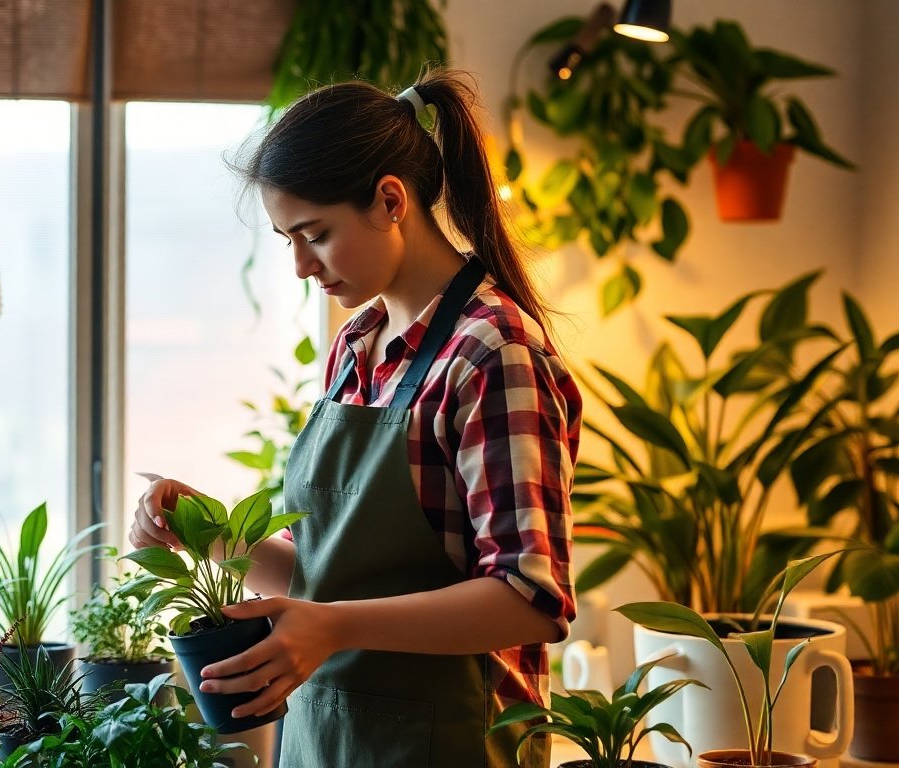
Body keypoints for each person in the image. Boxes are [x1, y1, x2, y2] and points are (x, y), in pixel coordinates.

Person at [128, 68, 582, 768]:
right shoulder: (357, 346)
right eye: (289, 241)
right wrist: (207, 532)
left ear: (390, 200)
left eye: (316, 234)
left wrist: (332, 629)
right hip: (326, 738)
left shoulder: (493, 354)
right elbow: (327, 579)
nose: (304, 266)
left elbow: (529, 598)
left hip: (450, 743)